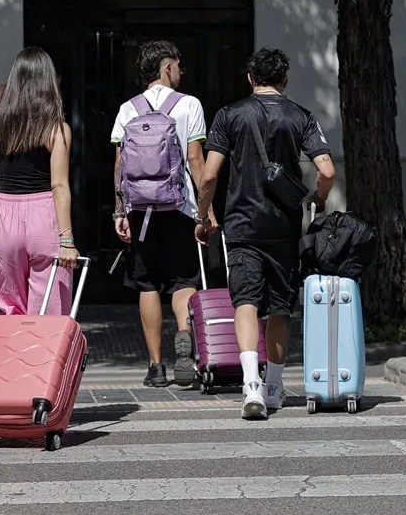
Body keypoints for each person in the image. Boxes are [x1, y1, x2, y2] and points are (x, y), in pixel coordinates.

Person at [194, 47, 335, 418]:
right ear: (284, 79)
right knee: (280, 307)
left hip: (242, 224)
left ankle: (250, 385)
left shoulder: (229, 115)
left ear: (250, 77)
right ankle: (273, 386)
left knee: (245, 302)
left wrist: (203, 215)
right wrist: (316, 200)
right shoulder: (301, 116)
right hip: (284, 227)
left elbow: (209, 175)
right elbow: (327, 170)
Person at [111, 40, 213, 388]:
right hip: (180, 206)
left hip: (140, 209)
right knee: (184, 281)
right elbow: (196, 160)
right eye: (178, 66)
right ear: (167, 67)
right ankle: (184, 338)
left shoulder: (127, 109)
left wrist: (119, 210)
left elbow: (120, 164)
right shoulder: (189, 105)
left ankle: (156, 366)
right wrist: (206, 210)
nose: (181, 72)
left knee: (147, 284)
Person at [0, 47, 79, 315]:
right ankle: (44, 357)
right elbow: (59, 185)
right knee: (50, 307)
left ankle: (15, 354)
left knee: (10, 305)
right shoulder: (56, 128)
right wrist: (67, 239)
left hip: (5, 215)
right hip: (44, 216)